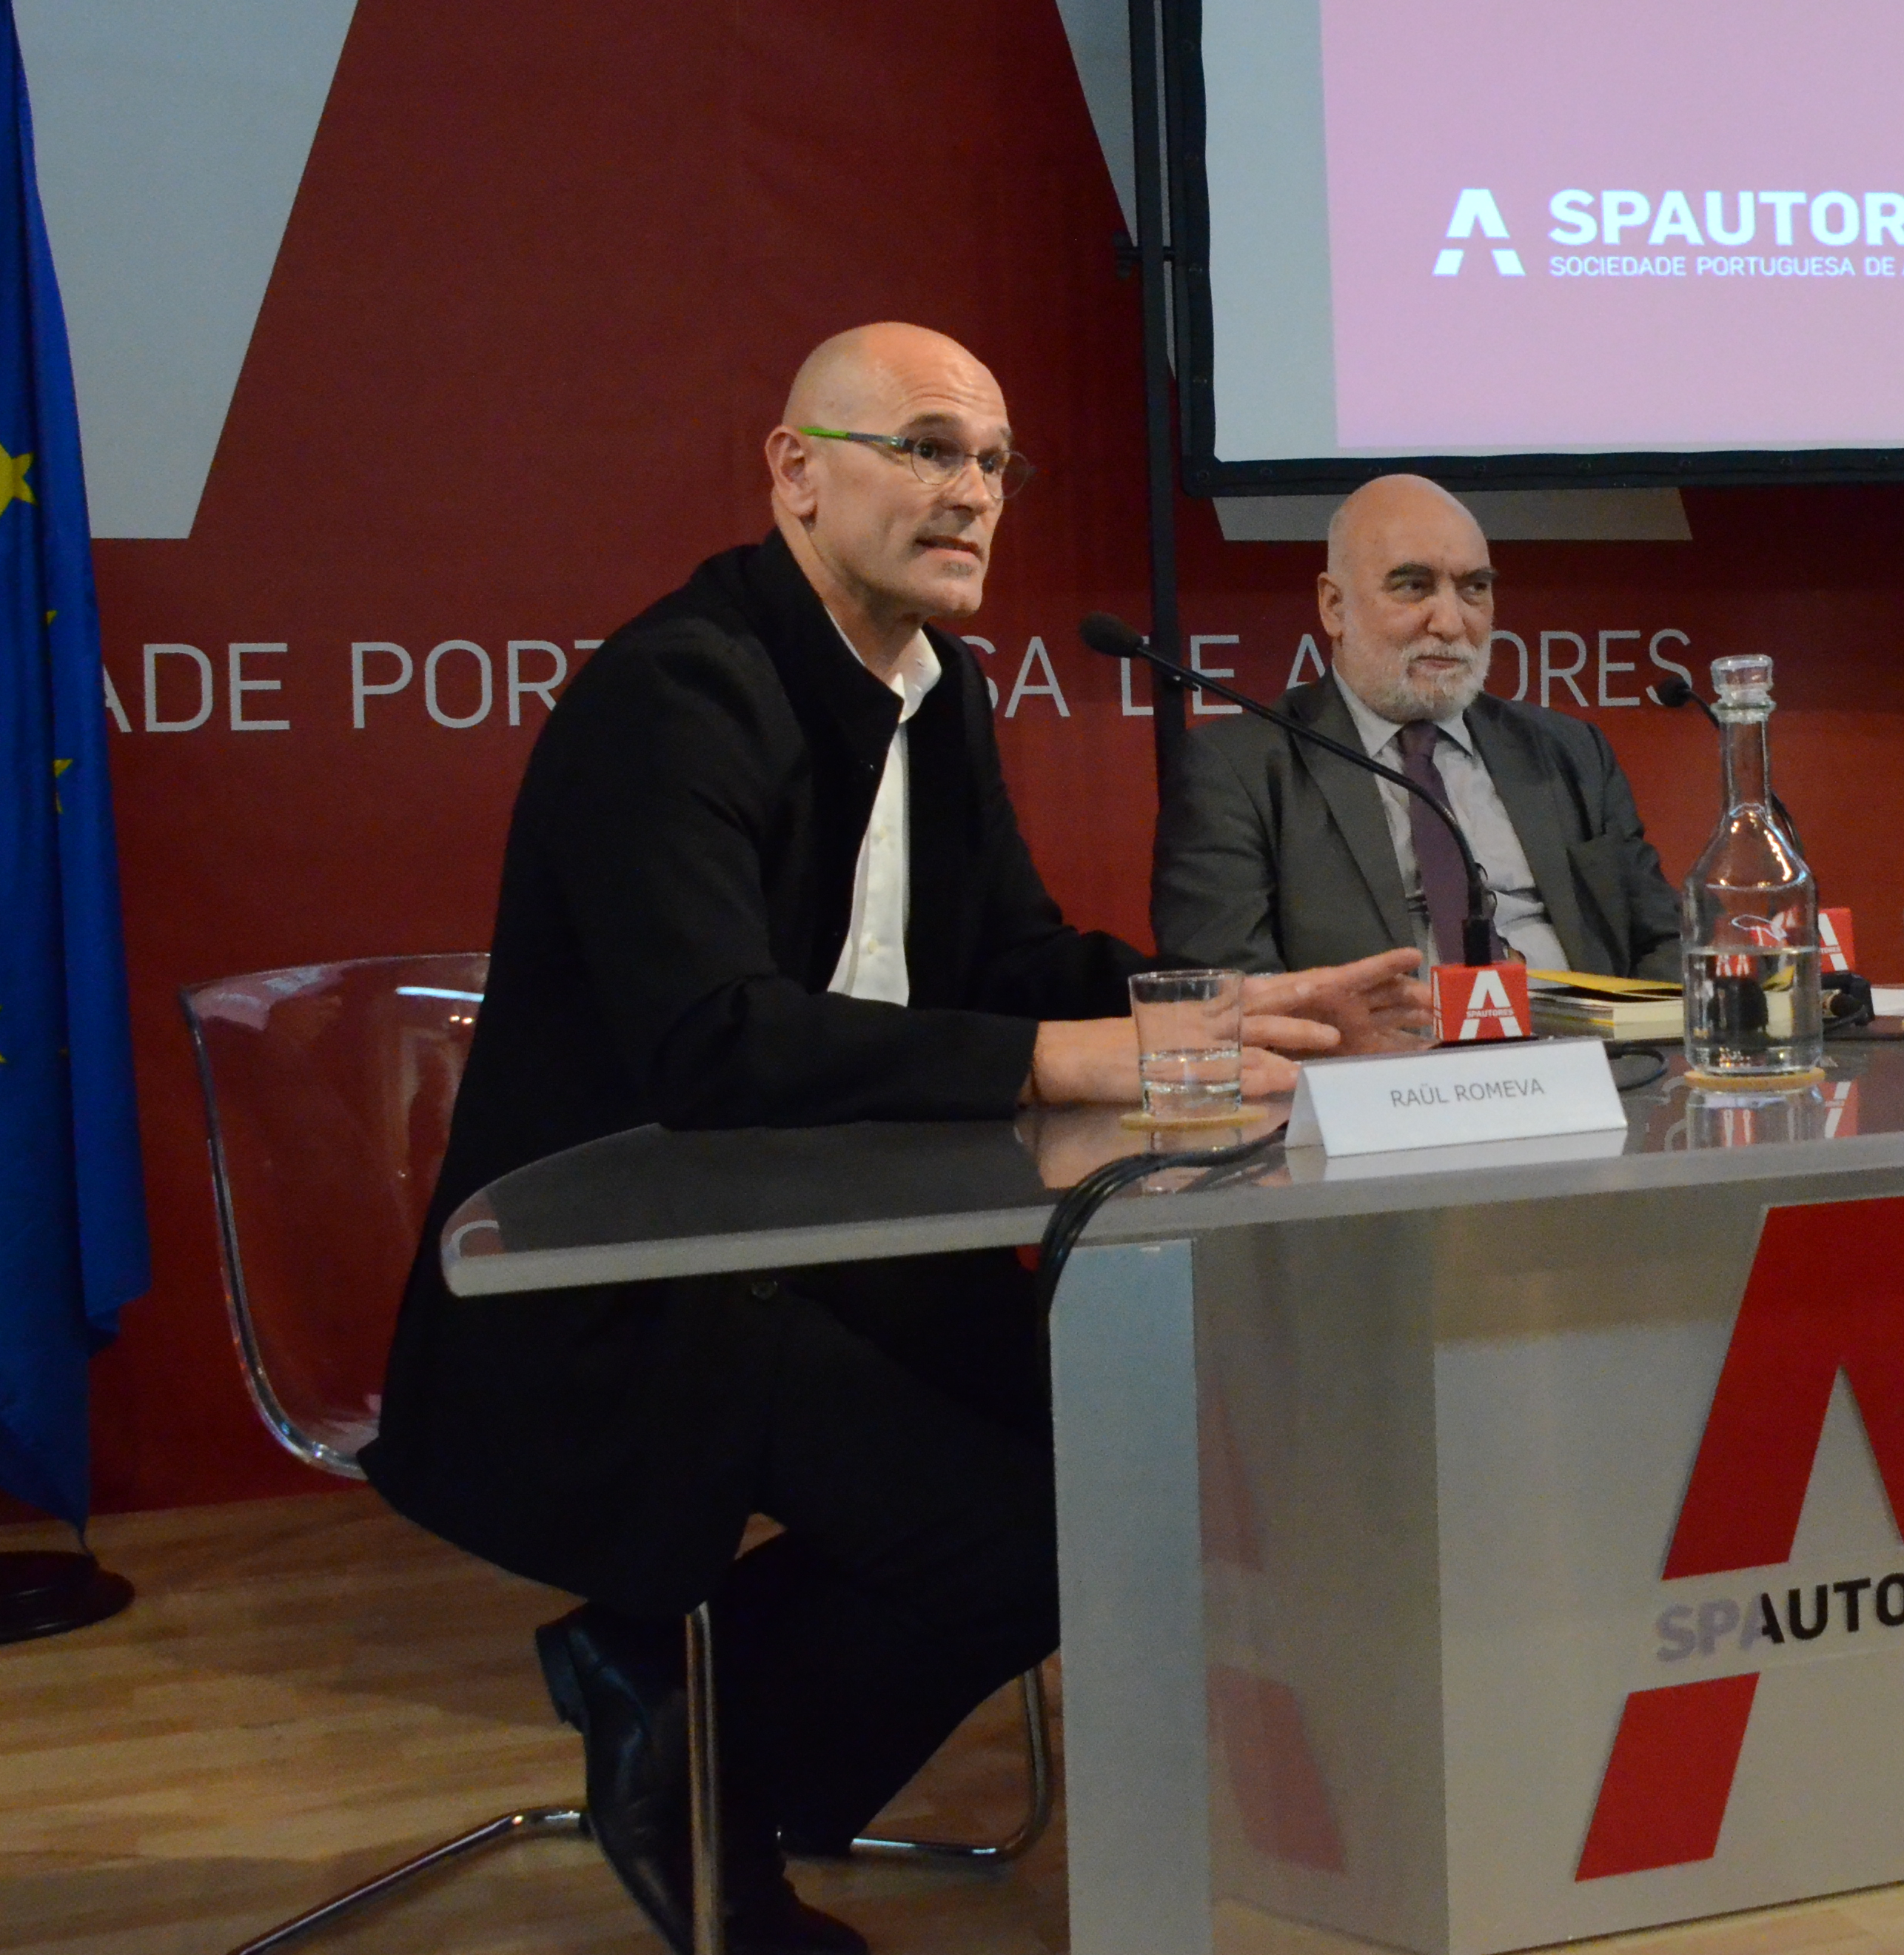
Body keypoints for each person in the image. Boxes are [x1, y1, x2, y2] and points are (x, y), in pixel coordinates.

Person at [362, 324, 1425, 1955]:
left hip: (821, 1245)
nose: (971, 494)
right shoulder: (679, 692)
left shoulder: (940, 687)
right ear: (795, 474)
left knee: (1132, 1459)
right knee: (1022, 1534)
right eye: (927, 447)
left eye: (994, 462)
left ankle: (672, 1701)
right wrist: (1077, 1053)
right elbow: (712, 1042)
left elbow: (1008, 963)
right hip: (617, 1278)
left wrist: (1239, 1005)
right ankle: (690, 1767)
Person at [1152, 472, 1684, 979]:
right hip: (1373, 1067)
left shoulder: (1570, 752)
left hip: (1590, 1060)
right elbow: (1227, 992)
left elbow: (1667, 942)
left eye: (1474, 588)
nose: (1451, 623)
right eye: (1413, 586)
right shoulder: (1239, 770)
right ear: (1335, 606)